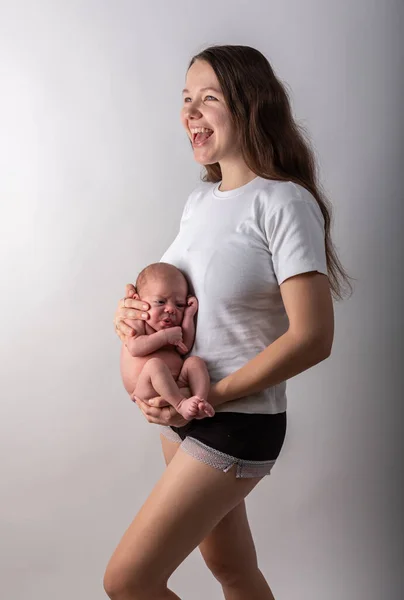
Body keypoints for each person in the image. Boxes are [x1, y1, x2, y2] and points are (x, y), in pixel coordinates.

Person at [105, 44, 352, 600]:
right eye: (186, 100)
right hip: (189, 415)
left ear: (250, 106)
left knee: (128, 581)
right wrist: (131, 314)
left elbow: (314, 337)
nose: (190, 113)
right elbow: (179, 297)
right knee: (234, 572)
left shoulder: (284, 203)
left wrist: (215, 392)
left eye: (208, 99)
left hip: (236, 421)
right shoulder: (200, 204)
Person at [120, 262, 214, 421]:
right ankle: (180, 405)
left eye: (179, 305)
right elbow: (135, 348)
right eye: (160, 302)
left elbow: (185, 348)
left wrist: (189, 316)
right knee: (154, 365)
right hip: (146, 387)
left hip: (177, 383)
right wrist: (164, 337)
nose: (171, 309)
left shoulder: (171, 326)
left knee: (195, 362)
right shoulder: (138, 320)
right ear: (138, 301)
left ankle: (199, 402)